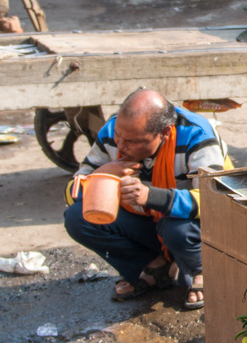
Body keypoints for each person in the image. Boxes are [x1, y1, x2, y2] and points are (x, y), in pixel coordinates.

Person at [63, 89, 230, 309]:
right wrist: (102, 175)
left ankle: (203, 270)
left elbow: (215, 202)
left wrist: (150, 196)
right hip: (146, 224)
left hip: (194, 226)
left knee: (175, 228)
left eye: (132, 141)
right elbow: (72, 193)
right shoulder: (112, 131)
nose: (121, 146)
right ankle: (152, 268)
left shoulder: (196, 133)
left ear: (165, 133)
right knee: (77, 217)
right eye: (119, 137)